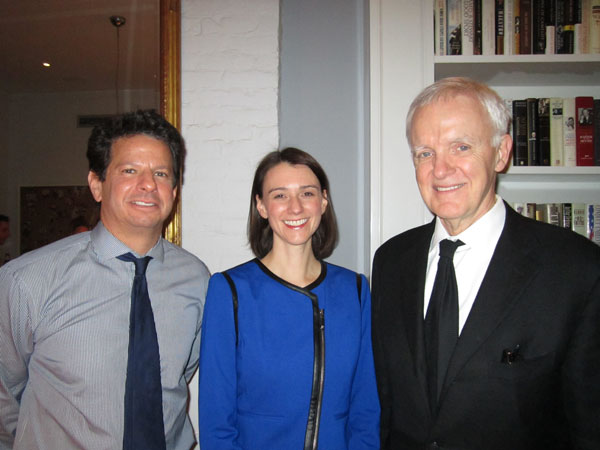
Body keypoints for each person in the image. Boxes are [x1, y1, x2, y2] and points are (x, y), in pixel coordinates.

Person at [371, 77, 600, 450]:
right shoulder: (391, 261)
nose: (440, 169)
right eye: (424, 153)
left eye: (461, 147)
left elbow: (590, 425)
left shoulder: (576, 269)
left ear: (501, 152)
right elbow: (387, 402)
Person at [0, 110, 210, 449]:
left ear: (174, 189)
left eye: (161, 173)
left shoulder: (196, 280)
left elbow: (176, 379)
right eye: (129, 170)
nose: (148, 184)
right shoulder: (27, 280)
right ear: (97, 184)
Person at [198, 147, 380, 449]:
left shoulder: (356, 290)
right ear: (261, 206)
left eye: (307, 193)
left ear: (323, 201)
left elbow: (365, 409)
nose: (295, 208)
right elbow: (217, 422)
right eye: (280, 195)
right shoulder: (230, 290)